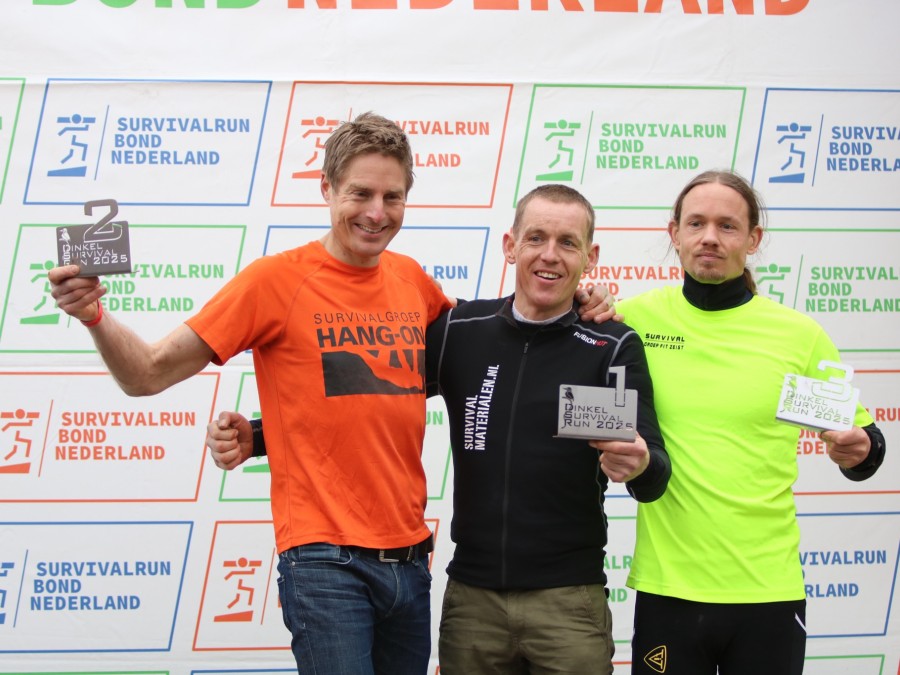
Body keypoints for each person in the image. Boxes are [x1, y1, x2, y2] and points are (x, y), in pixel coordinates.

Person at [48, 112, 454, 675]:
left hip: (410, 560)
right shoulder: (274, 281)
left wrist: (576, 311)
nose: (376, 212)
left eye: (393, 196)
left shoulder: (414, 281)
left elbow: (449, 371)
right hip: (324, 561)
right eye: (360, 193)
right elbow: (147, 374)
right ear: (327, 189)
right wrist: (94, 315)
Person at [208, 184, 672, 674]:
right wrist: (259, 437)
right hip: (473, 604)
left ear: (590, 257)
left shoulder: (610, 344)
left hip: (568, 605)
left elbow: (653, 477)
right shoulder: (461, 329)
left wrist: (639, 463)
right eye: (536, 238)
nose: (549, 255)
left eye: (567, 243)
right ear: (510, 246)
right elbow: (368, 393)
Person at [604, 170, 886, 675]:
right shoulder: (633, 320)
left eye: (727, 226)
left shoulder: (797, 335)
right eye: (696, 223)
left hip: (768, 594)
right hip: (669, 591)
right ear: (675, 234)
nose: (710, 237)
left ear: (753, 239)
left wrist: (859, 450)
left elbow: (866, 443)